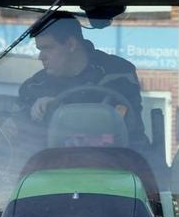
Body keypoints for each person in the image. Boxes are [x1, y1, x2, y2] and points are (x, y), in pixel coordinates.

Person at [15, 15, 145, 144]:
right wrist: (27, 118)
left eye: (48, 48)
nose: (41, 57)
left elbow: (124, 123)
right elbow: (18, 137)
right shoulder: (34, 87)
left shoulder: (117, 72)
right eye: (40, 49)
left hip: (115, 160)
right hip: (56, 162)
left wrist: (59, 108)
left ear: (71, 44)